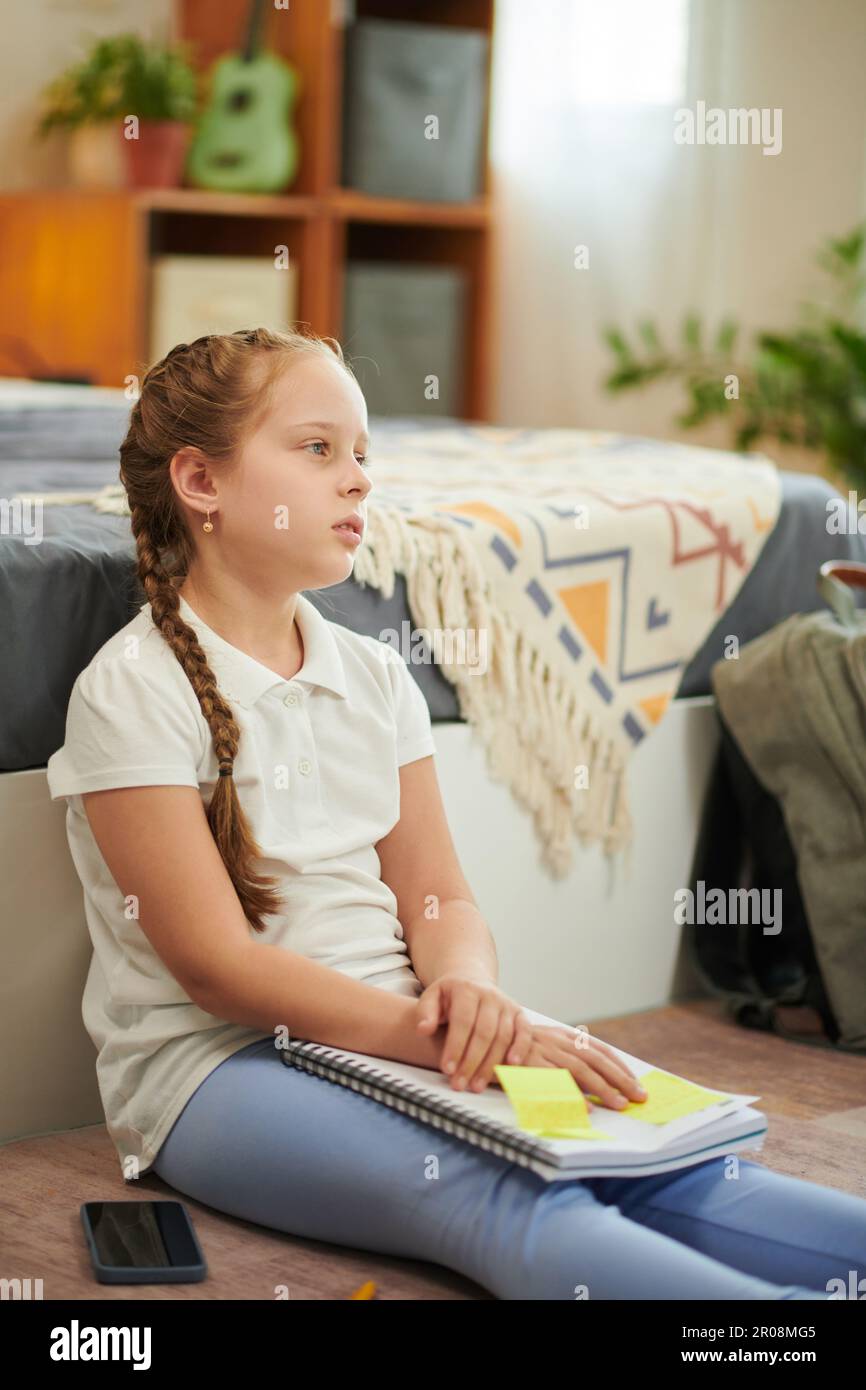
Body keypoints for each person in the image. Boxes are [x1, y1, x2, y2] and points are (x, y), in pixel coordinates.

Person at [47, 328, 866, 1300]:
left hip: (408, 1028)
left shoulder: (375, 673)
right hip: (220, 1072)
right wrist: (448, 1039)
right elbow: (216, 970)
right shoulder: (130, 691)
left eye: (361, 453)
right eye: (317, 449)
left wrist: (471, 991)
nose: (356, 480)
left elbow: (437, 896)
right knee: (512, 1196)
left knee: (679, 1168)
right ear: (201, 480)